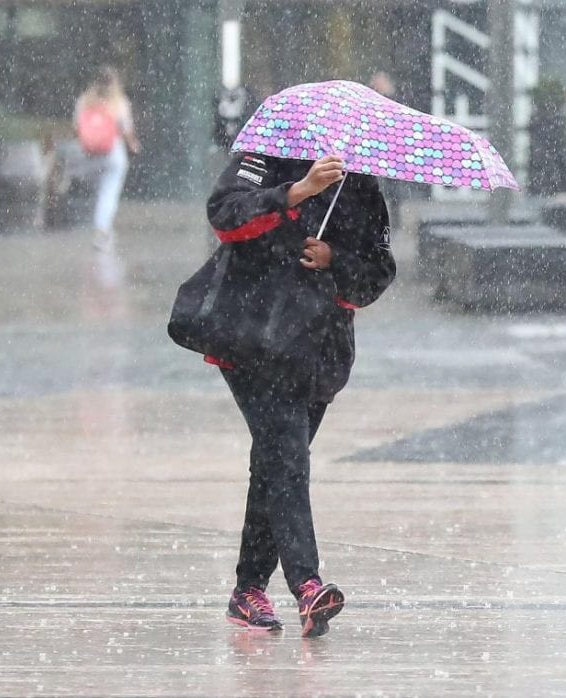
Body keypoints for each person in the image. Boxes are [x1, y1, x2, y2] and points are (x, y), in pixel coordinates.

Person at [206, 151, 395, 637]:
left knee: (276, 460)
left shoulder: (362, 185)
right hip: (253, 337)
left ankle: (247, 590)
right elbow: (225, 216)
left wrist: (336, 261)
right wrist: (295, 193)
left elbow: (378, 271)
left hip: (318, 349)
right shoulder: (264, 156)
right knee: (286, 454)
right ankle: (307, 585)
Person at [74, 66, 140, 250]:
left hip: (89, 155)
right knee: (108, 193)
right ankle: (102, 230)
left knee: (98, 192)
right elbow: (126, 130)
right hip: (113, 154)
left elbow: (77, 127)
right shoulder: (119, 102)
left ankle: (99, 226)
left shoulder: (85, 101)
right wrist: (133, 144)